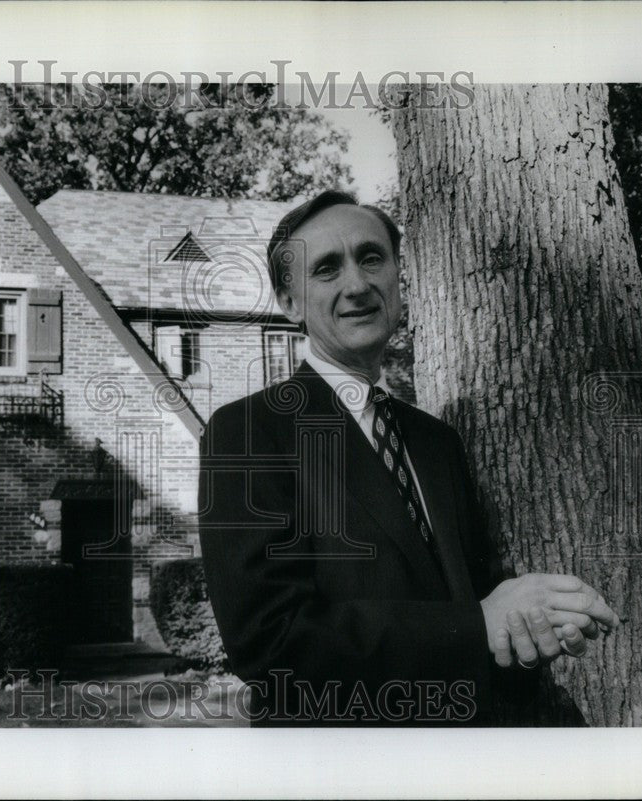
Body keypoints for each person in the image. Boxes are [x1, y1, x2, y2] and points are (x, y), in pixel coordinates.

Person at [197, 191, 619, 726]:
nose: (357, 284)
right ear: (290, 302)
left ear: (399, 275)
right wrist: (478, 625)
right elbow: (269, 644)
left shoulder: (435, 440)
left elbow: (473, 604)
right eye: (326, 269)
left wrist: (533, 623)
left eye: (371, 258)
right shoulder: (250, 431)